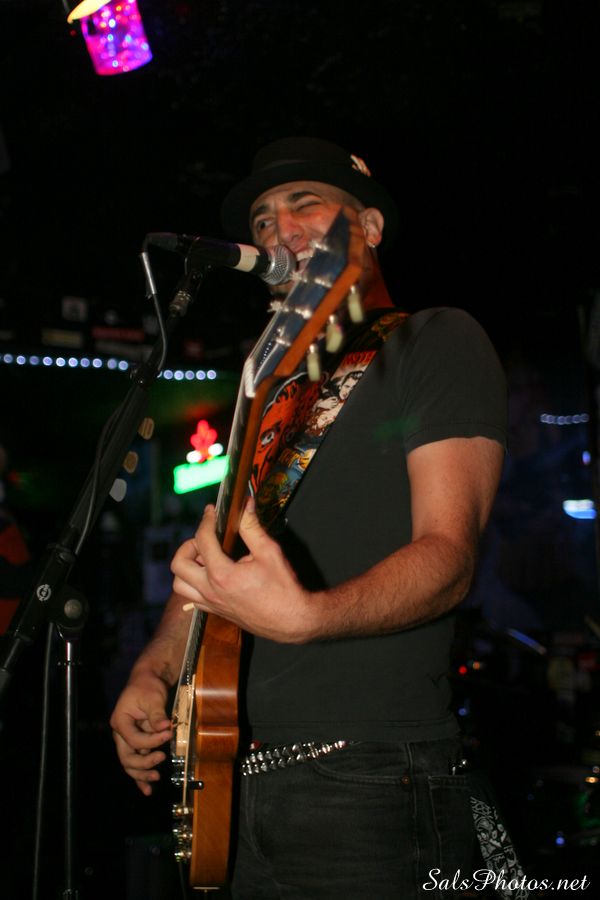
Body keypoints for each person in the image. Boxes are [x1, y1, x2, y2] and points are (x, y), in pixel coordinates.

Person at [110, 136, 507, 898]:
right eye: (262, 220)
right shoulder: (267, 389)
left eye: (305, 205)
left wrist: (310, 618)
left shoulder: (434, 340)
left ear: (370, 228)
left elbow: (450, 556)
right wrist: (152, 671)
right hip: (237, 778)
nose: (277, 231)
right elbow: (211, 568)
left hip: (372, 777)